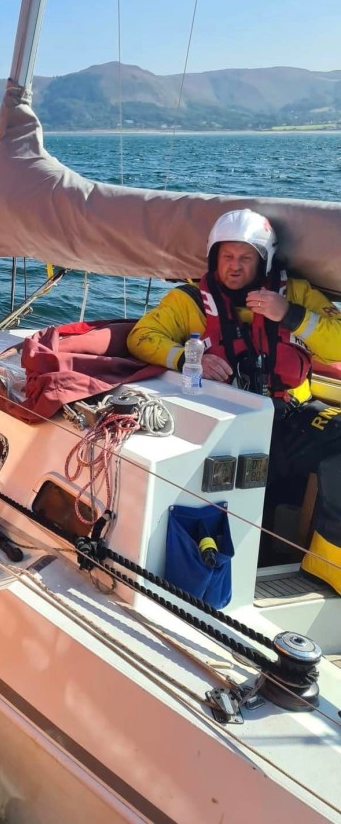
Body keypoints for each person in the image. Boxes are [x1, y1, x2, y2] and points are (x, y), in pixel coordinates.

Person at [127, 208, 341, 590]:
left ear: (264, 261)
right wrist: (186, 358)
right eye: (227, 256)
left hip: (288, 420)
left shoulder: (296, 294)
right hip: (228, 424)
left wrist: (290, 314)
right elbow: (142, 337)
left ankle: (328, 564)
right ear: (214, 258)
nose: (235, 266)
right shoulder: (188, 301)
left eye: (246, 258)